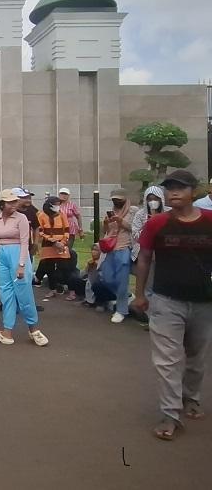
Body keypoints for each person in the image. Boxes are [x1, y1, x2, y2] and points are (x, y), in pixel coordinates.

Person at [132, 170, 212, 441]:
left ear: (194, 191)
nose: (173, 192)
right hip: (166, 301)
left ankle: (191, 398)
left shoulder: (209, 221)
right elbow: (144, 258)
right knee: (167, 360)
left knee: (196, 357)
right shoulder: (157, 224)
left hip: (204, 303)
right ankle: (170, 413)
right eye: (169, 188)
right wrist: (140, 294)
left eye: (181, 187)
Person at [0, 190, 47, 346]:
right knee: (6, 293)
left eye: (15, 201)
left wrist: (21, 265)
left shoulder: (22, 218)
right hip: (2, 255)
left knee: (24, 292)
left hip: (18, 254)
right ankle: (7, 331)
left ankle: (34, 329)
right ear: (2, 204)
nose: (14, 204)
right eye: (10, 202)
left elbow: (25, 242)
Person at [101, 188, 138, 324]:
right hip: (111, 247)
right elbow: (106, 231)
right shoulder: (112, 211)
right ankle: (126, 295)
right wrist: (106, 223)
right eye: (114, 200)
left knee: (122, 280)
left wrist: (121, 221)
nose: (116, 202)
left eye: (119, 199)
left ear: (125, 199)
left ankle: (121, 310)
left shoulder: (133, 211)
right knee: (106, 277)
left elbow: (135, 228)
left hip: (124, 247)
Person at [36, 196, 73, 300]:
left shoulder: (62, 215)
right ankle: (52, 289)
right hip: (48, 245)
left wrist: (63, 242)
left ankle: (72, 290)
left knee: (66, 268)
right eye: (56, 204)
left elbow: (67, 230)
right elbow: (40, 231)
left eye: (59, 204)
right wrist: (52, 241)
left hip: (61, 246)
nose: (58, 206)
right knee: (49, 268)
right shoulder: (42, 216)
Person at [132, 185, 168, 264]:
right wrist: (149, 223)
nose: (153, 202)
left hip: (165, 252)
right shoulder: (140, 214)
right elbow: (135, 235)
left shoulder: (169, 212)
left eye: (156, 199)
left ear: (161, 199)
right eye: (150, 199)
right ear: (146, 200)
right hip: (145, 253)